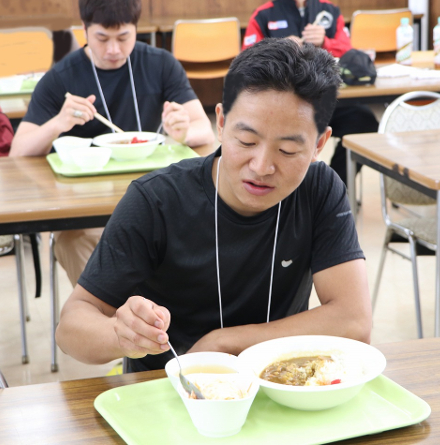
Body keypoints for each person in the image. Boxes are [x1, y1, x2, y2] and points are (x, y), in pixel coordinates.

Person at [56, 38, 372, 373]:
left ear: (319, 144)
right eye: (246, 141)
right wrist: (119, 334)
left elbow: (353, 321)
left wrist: (223, 342)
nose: (262, 166)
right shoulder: (156, 200)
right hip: (171, 396)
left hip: (280, 391)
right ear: (220, 123)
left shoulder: (319, 189)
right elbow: (71, 329)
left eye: (288, 151)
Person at [10, 0, 215, 285]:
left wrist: (182, 131)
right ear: (84, 29)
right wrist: (57, 124)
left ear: (136, 28)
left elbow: (204, 130)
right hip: (87, 206)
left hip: (154, 197)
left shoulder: (160, 64)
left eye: (123, 37)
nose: (114, 50)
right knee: (72, 241)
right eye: (102, 38)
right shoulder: (61, 77)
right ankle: (110, 320)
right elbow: (18, 150)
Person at [242, 0, 378, 184]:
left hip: (324, 101)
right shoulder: (264, 14)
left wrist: (325, 41)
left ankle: (334, 185)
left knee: (364, 120)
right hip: (281, 107)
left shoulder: (330, 11)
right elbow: (245, 61)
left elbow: (348, 53)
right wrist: (281, 48)